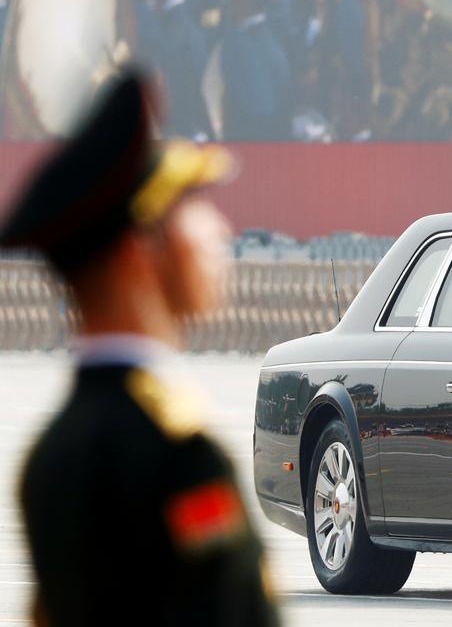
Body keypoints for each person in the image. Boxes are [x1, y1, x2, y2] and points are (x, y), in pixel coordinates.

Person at [0, 69, 279, 626]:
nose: (218, 231)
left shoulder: (52, 452)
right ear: (138, 251)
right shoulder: (176, 453)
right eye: (191, 211)